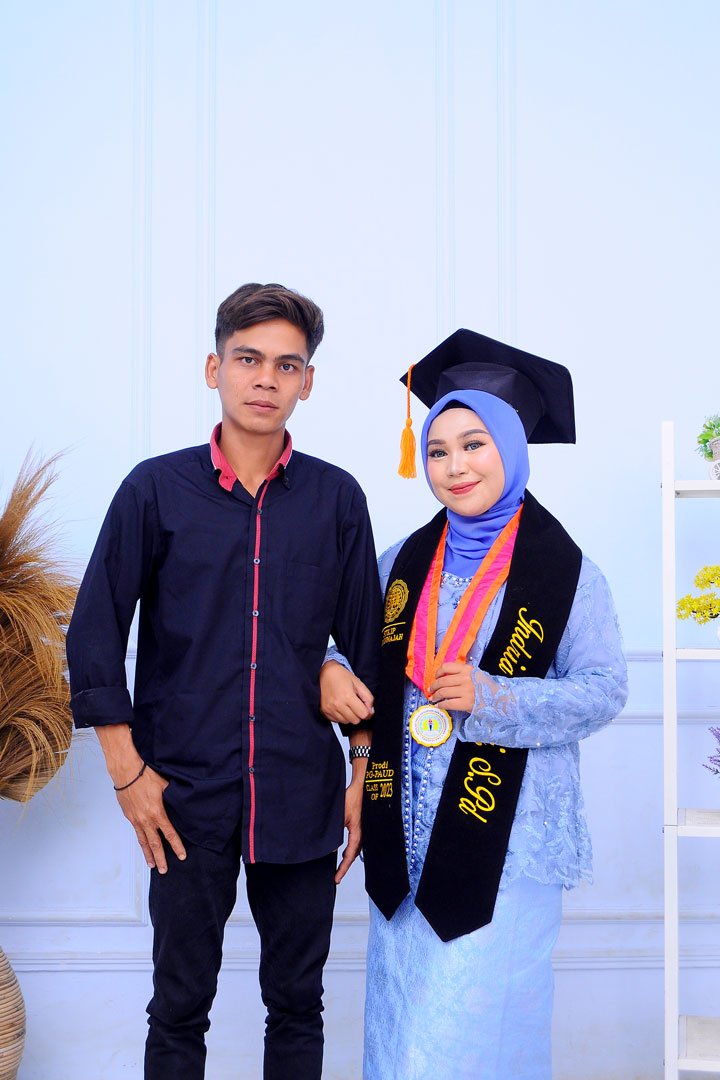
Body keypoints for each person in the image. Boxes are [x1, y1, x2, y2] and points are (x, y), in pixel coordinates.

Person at [65, 282, 382, 1080]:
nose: (266, 378)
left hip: (301, 795)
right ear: (214, 369)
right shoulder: (153, 490)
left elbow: (367, 647)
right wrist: (128, 776)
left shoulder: (337, 500)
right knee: (177, 1008)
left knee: (298, 1005)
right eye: (248, 359)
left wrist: (362, 774)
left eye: (287, 364)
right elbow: (95, 630)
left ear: (308, 381)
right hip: (182, 796)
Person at [321, 329, 628, 1080]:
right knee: (403, 1034)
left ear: (513, 448)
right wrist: (330, 668)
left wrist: (497, 696)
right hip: (405, 833)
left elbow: (604, 690)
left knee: (476, 1036)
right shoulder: (401, 563)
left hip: (506, 842)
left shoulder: (567, 575)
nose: (454, 467)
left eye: (474, 445)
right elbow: (351, 646)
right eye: (437, 450)